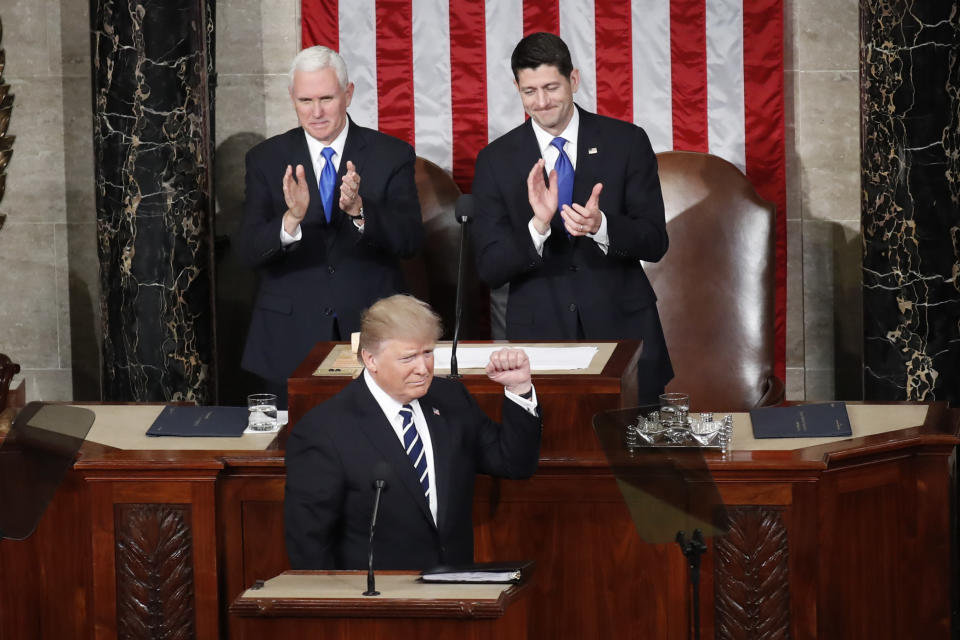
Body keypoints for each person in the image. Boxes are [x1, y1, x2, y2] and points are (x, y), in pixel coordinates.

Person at [471, 33, 673, 404]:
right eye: (529, 91)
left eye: (551, 87)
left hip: (623, 331)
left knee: (639, 455)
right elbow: (490, 267)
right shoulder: (495, 160)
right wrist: (538, 227)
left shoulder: (626, 142)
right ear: (516, 88)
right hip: (540, 340)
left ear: (574, 80)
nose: (542, 102)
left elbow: (655, 241)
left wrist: (602, 227)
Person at [284, 294, 541, 570]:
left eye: (427, 353)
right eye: (408, 358)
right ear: (371, 360)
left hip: (455, 590)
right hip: (378, 600)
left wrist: (519, 388)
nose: (423, 369)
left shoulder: (451, 398)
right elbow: (309, 544)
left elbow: (515, 463)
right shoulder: (324, 430)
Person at [238, 46, 423, 408]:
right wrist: (290, 219)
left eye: (326, 98)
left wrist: (359, 211)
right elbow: (247, 251)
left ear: (348, 93)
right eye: (305, 100)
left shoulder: (391, 154)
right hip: (286, 339)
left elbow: (411, 241)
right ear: (292, 97)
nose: (316, 112)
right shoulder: (266, 159)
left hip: (374, 334)